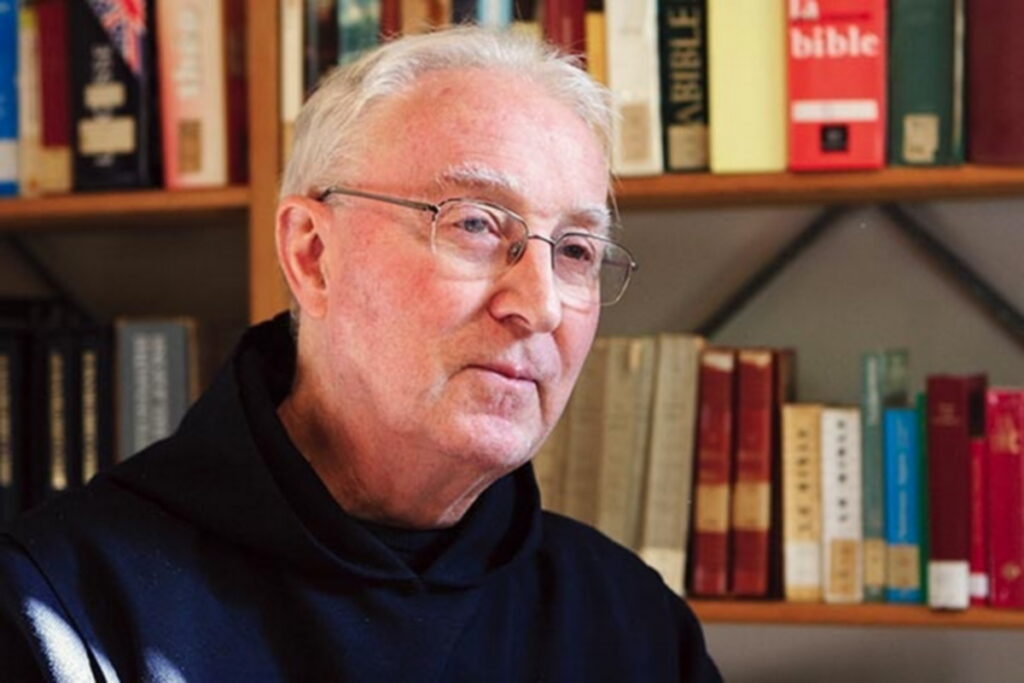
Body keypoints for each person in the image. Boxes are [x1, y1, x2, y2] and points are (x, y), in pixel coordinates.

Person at [0, 27, 721, 682]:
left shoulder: (634, 625)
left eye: (576, 251)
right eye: (474, 224)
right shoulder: (58, 609)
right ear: (312, 255)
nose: (540, 305)